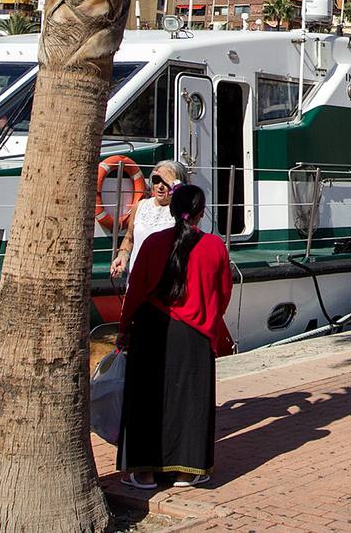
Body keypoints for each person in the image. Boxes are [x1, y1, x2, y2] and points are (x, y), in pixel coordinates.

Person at [117, 184, 232, 488]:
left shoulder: (154, 243)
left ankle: (143, 472)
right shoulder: (215, 246)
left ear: (170, 209)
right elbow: (222, 295)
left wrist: (124, 328)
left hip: (151, 328)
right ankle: (187, 471)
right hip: (195, 333)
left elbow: (136, 291)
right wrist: (210, 320)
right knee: (190, 402)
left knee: (146, 400)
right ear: (201, 213)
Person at [113, 159, 187, 278]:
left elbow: (190, 198)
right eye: (157, 180)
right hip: (138, 278)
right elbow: (129, 238)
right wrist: (122, 256)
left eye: (166, 182)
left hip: (167, 280)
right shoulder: (141, 206)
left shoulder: (182, 210)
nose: (160, 186)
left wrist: (175, 184)